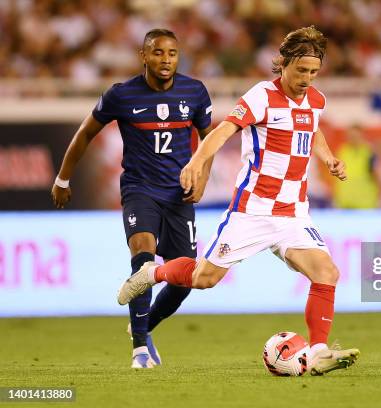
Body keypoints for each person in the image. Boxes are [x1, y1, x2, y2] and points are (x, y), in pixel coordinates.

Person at [117, 26, 360, 375]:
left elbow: (313, 128)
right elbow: (223, 130)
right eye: (301, 71)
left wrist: (328, 157)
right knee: (204, 278)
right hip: (253, 211)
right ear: (284, 64)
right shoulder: (262, 95)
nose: (307, 79)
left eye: (313, 72)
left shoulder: (316, 100)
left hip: (293, 214)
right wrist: (196, 161)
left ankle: (319, 350)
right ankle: (151, 272)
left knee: (327, 272)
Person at [51, 29, 214, 368]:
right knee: (143, 254)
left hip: (179, 194)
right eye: (157, 53)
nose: (165, 59)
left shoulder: (194, 91)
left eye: (171, 53)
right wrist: (63, 178)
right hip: (140, 189)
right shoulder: (121, 95)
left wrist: (201, 178)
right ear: (144, 56)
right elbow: (85, 134)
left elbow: (209, 138)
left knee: (184, 280)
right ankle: (140, 349)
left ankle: (143, 326)